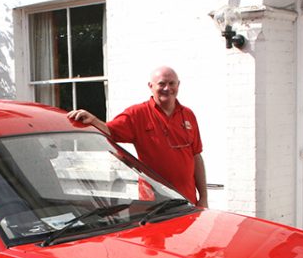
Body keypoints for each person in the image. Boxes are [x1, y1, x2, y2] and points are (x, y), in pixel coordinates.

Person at [67, 66, 208, 207]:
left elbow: (196, 156)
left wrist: (203, 197)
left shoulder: (188, 115)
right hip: (154, 203)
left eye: (171, 83)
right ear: (151, 86)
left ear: (178, 85)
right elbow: (111, 132)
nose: (167, 88)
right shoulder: (137, 114)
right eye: (162, 83)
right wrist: (93, 120)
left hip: (187, 201)